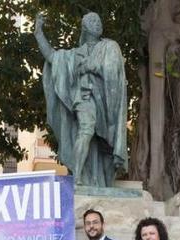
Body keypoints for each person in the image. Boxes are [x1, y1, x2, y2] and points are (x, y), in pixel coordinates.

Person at [34, 12, 127, 187]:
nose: (98, 23)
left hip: (106, 102)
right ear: (85, 27)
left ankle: (101, 180)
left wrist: (93, 66)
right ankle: (77, 176)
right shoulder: (74, 55)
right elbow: (52, 57)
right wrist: (39, 33)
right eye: (92, 21)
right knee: (86, 129)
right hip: (84, 98)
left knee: (105, 146)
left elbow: (113, 69)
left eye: (99, 20)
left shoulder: (110, 47)